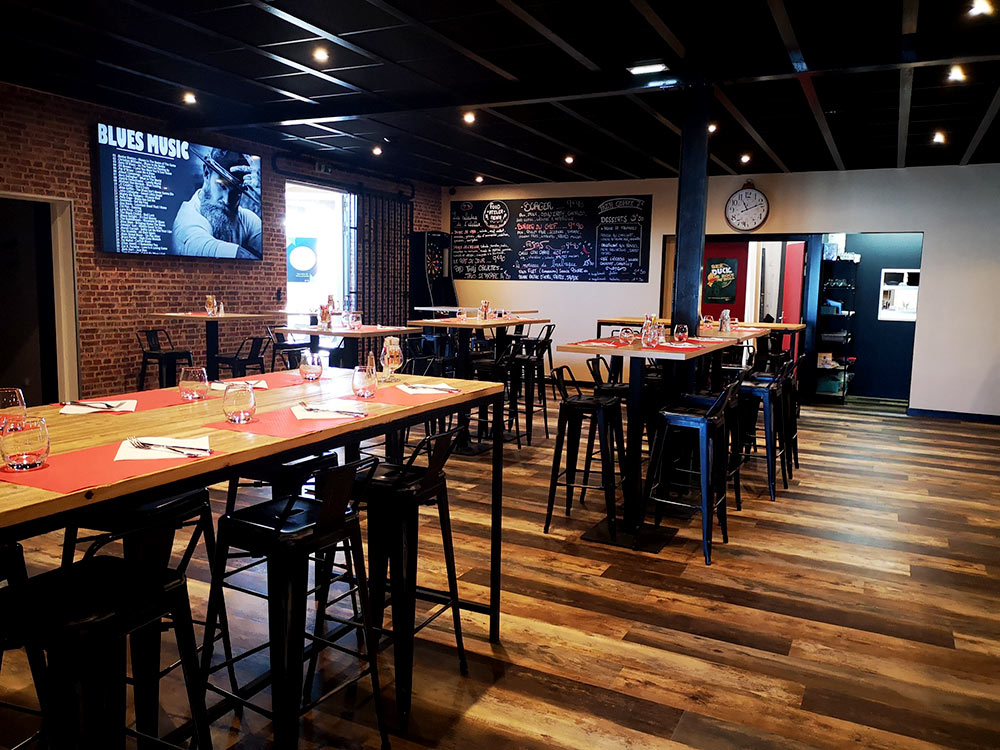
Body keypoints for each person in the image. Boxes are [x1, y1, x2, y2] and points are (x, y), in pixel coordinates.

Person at [171, 149, 262, 259]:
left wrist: (263, 197)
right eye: (222, 186)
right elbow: (232, 254)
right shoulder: (187, 220)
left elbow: (275, 251)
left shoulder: (245, 218)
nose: (227, 200)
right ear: (206, 173)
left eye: (236, 192)